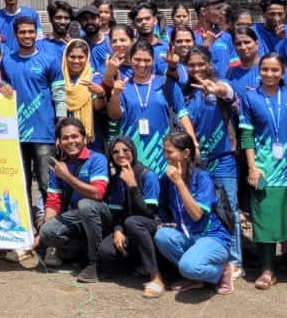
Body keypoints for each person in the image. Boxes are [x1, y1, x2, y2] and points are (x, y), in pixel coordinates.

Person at [239, 53, 287, 291]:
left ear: (283, 72)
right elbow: (247, 135)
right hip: (264, 169)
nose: (269, 74)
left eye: (275, 70)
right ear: (259, 71)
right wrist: (252, 167)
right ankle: (268, 269)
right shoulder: (250, 97)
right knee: (264, 221)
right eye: (265, 69)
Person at [2, 15, 66, 258]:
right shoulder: (7, 60)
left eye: (31, 32)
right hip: (15, 134)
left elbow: (59, 95)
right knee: (20, 187)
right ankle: (24, 237)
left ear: (36, 33)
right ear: (15, 34)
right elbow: (3, 90)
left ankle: (52, 241)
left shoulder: (49, 59)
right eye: (22, 32)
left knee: (49, 187)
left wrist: (60, 127)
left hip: (44, 134)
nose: (27, 36)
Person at [179, 48, 241, 276]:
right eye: (191, 65)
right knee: (203, 209)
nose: (196, 69)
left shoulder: (219, 84)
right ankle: (211, 255)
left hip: (223, 158)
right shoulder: (185, 93)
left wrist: (217, 89)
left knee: (229, 207)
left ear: (209, 64)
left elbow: (229, 93)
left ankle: (235, 260)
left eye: (200, 64)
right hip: (198, 162)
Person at [155, 132, 234, 295]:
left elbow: (197, 215)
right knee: (162, 236)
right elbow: (163, 207)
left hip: (212, 236)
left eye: (170, 152)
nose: (165, 156)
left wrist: (179, 183)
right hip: (188, 235)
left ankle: (223, 270)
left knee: (188, 266)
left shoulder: (202, 177)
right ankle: (196, 277)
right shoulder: (167, 179)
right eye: (164, 151)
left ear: (185, 153)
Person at [34, 117, 111, 283]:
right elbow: (53, 202)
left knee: (85, 205)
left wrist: (67, 177)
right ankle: (83, 251)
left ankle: (95, 263)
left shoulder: (97, 159)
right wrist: (43, 238)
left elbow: (97, 194)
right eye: (65, 138)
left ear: (84, 138)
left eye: (75, 136)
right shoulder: (58, 167)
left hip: (99, 216)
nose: (71, 141)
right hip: (75, 219)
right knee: (47, 232)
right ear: (59, 142)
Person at [106, 44, 191, 180]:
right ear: (130, 59)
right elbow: (114, 116)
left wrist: (193, 142)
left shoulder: (166, 83)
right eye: (137, 59)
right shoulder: (123, 86)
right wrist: (115, 94)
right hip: (131, 154)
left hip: (163, 154)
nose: (142, 64)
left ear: (153, 61)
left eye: (147, 60)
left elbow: (182, 114)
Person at [95, 136, 162, 298]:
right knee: (106, 251)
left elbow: (149, 212)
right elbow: (117, 212)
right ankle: (136, 265)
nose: (121, 154)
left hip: (152, 227)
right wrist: (118, 230)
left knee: (133, 222)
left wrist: (132, 186)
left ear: (133, 151)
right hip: (129, 227)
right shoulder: (116, 177)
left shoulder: (148, 176)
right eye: (115, 152)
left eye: (126, 150)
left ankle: (156, 277)